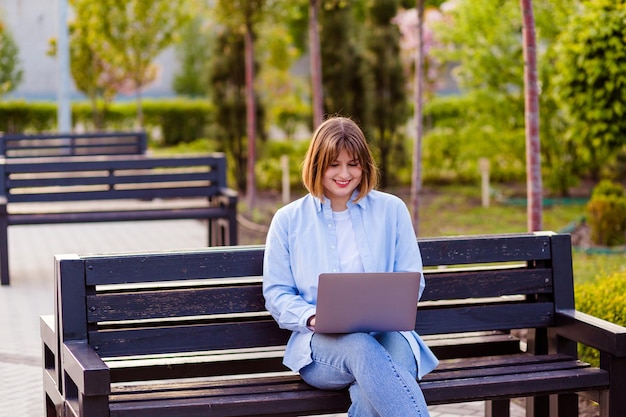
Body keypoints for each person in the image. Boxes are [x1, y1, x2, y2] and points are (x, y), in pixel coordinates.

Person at [263, 116, 438, 417]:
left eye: (353, 164)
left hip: (388, 335)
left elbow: (412, 279)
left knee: (371, 388)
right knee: (360, 348)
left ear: (365, 166)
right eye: (334, 164)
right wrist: (314, 317)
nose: (344, 174)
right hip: (322, 348)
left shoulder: (392, 210)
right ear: (317, 165)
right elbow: (277, 293)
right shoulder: (288, 220)